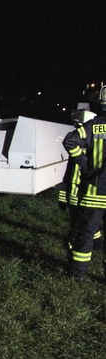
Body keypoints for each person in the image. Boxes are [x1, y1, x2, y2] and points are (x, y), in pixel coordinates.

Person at [62, 100, 106, 282]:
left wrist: (86, 166)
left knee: (85, 234)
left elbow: (70, 141)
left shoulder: (94, 126)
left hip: (95, 192)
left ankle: (77, 275)